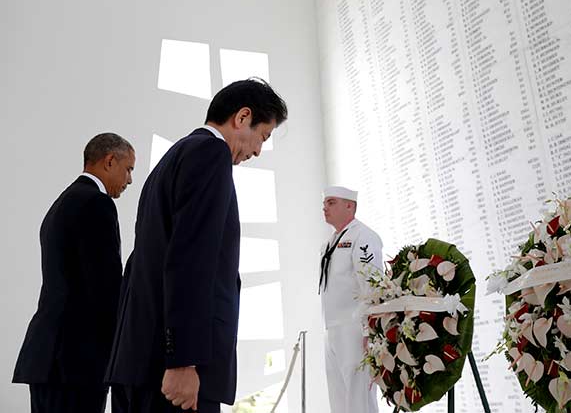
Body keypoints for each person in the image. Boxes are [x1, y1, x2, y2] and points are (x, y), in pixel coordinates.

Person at [106, 78, 287, 413]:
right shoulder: (210, 154)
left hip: (139, 361)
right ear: (243, 117)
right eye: (263, 136)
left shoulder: (172, 159)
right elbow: (190, 260)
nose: (258, 150)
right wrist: (183, 361)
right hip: (172, 373)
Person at [13, 133, 135, 413]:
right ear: (109, 161)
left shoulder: (61, 203)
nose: (129, 180)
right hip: (77, 363)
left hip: (47, 358)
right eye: (128, 169)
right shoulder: (97, 204)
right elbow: (105, 288)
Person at [320, 186, 382, 413]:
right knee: (338, 400)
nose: (324, 207)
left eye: (331, 202)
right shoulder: (330, 242)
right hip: (333, 328)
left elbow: (372, 285)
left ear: (350, 206)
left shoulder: (362, 236)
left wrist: (369, 330)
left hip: (355, 329)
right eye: (325, 203)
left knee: (359, 400)